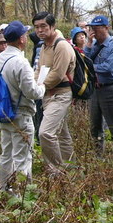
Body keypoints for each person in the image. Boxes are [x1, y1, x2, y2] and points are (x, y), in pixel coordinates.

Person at [0, 20, 46, 192]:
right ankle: (23, 196)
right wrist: (42, 86)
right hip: (21, 114)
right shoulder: (20, 62)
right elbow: (32, 92)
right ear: (21, 39)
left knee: (6, 154)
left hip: (4, 113)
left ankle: (4, 189)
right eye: (24, 34)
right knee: (23, 157)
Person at [33, 11, 75, 174]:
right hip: (48, 95)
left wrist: (39, 88)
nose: (40, 30)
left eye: (43, 26)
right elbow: (39, 69)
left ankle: (56, 171)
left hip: (60, 95)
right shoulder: (44, 46)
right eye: (37, 27)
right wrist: (35, 85)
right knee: (62, 134)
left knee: (45, 133)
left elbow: (58, 74)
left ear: (52, 26)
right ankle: (71, 168)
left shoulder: (62, 46)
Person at [85, 15, 113, 162]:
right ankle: (98, 158)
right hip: (95, 90)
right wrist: (89, 43)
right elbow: (84, 59)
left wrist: (91, 68)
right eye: (92, 29)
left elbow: (109, 67)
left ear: (106, 28)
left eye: (97, 28)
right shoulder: (94, 45)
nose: (94, 32)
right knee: (95, 127)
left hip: (110, 90)